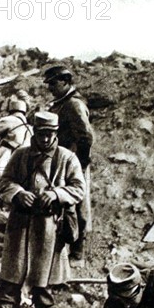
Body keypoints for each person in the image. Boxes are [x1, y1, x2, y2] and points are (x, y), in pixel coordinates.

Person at [0, 111, 85, 308]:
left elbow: (79, 189)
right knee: (13, 268)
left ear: (56, 134)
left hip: (50, 225)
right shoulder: (21, 155)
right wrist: (18, 193)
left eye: (50, 134)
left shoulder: (67, 158)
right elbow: (4, 182)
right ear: (34, 132)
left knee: (46, 273)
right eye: (41, 134)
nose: (45, 139)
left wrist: (57, 194)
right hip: (21, 222)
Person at [44, 65, 94, 261]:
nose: (50, 88)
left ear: (65, 81)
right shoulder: (60, 104)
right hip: (60, 161)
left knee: (78, 204)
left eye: (53, 83)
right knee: (63, 204)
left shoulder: (74, 104)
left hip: (74, 162)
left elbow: (85, 137)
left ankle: (78, 249)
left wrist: (78, 165)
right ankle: (63, 245)